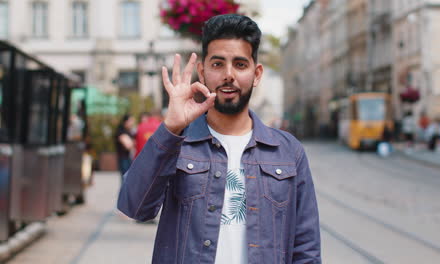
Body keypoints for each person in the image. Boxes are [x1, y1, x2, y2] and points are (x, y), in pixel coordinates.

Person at [118, 14, 321, 264]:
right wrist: (170, 129)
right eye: (217, 64)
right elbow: (135, 207)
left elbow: (306, 250)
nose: (228, 75)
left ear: (257, 74)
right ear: (202, 72)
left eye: (240, 64)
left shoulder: (288, 152)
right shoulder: (178, 142)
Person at [114, 114, 135, 184]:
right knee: (125, 179)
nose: (132, 123)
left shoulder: (128, 131)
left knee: (128, 179)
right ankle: (124, 194)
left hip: (128, 157)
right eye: (131, 121)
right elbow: (128, 145)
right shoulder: (121, 131)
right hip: (124, 158)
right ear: (126, 121)